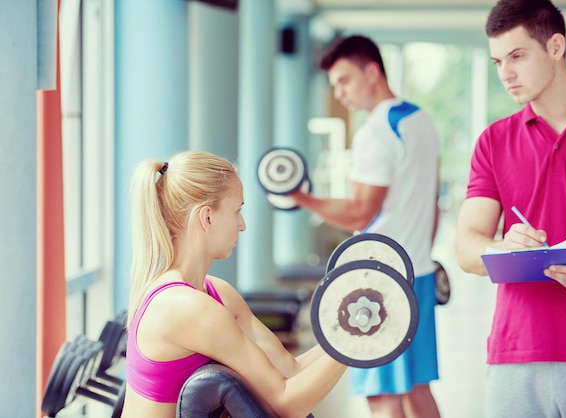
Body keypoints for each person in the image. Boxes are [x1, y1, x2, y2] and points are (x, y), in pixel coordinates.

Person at [455, 0, 566, 417]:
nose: (505, 74)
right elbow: (465, 247)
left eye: (517, 56)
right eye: (497, 61)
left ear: (555, 46)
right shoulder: (493, 142)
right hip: (515, 353)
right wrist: (502, 248)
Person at [120, 150, 348, 418]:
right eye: (237, 210)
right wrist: (357, 344)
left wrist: (345, 334)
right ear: (207, 217)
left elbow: (290, 370)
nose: (242, 225)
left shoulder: (217, 293)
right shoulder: (185, 308)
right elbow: (286, 403)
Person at [289, 35, 441, 418]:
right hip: (417, 270)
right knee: (417, 389)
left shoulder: (375, 132)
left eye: (344, 81)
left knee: (382, 395)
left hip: (380, 280)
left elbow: (359, 213)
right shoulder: (421, 122)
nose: (339, 93)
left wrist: (301, 197)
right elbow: (432, 207)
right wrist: (421, 252)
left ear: (372, 72)